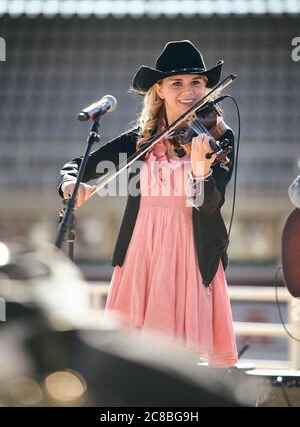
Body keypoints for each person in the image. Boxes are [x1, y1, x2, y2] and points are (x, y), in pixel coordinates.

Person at [58, 40, 238, 367]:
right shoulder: (142, 139)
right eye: (177, 83)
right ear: (159, 89)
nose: (189, 91)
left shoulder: (219, 136)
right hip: (141, 251)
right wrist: (71, 183)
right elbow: (79, 164)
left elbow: (211, 205)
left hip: (191, 252)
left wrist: (200, 171)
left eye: (197, 82)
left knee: (182, 363)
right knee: (134, 360)